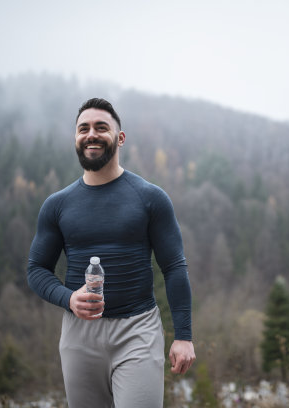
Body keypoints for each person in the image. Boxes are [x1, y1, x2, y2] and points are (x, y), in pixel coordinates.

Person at [27, 98, 195, 407]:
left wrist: (183, 336)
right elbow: (36, 269)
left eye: (101, 127)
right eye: (83, 128)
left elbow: (174, 266)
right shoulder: (57, 204)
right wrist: (68, 298)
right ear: (75, 139)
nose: (91, 134)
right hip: (79, 335)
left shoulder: (150, 198)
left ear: (120, 138)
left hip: (138, 331)